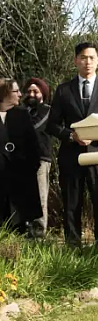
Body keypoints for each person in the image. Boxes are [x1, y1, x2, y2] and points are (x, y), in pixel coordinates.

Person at [47, 42, 98, 246]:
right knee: (72, 204)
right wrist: (71, 135)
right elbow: (52, 125)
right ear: (75, 61)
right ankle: (73, 250)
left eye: (91, 57)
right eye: (83, 57)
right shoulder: (64, 90)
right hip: (72, 156)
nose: (87, 62)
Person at [0, 79, 42, 233]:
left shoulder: (21, 115)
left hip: (21, 182)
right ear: (4, 94)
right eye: (15, 91)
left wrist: (29, 169)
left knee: (20, 227)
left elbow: (34, 147)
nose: (20, 94)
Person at [23, 78, 53, 237]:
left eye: (35, 91)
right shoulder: (21, 111)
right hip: (21, 161)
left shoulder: (48, 111)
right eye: (29, 91)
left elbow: (33, 129)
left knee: (40, 198)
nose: (31, 94)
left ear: (43, 93)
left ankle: (39, 236)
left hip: (41, 159)